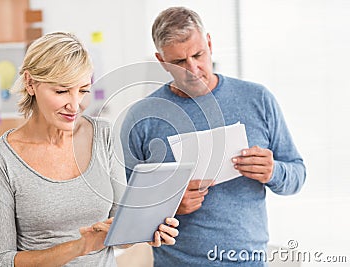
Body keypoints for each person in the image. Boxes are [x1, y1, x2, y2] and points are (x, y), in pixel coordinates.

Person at [120, 7, 306, 266]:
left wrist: (273, 171)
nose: (193, 69)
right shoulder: (142, 118)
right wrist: (168, 204)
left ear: (209, 43)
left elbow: (298, 175)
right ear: (161, 61)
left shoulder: (258, 100)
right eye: (179, 62)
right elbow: (123, 210)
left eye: (198, 54)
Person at [0, 32, 179, 267]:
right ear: (30, 83)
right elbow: (1, 262)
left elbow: (119, 231)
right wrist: (80, 246)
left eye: (83, 90)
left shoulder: (103, 134)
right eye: (62, 91)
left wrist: (145, 228)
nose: (75, 105)